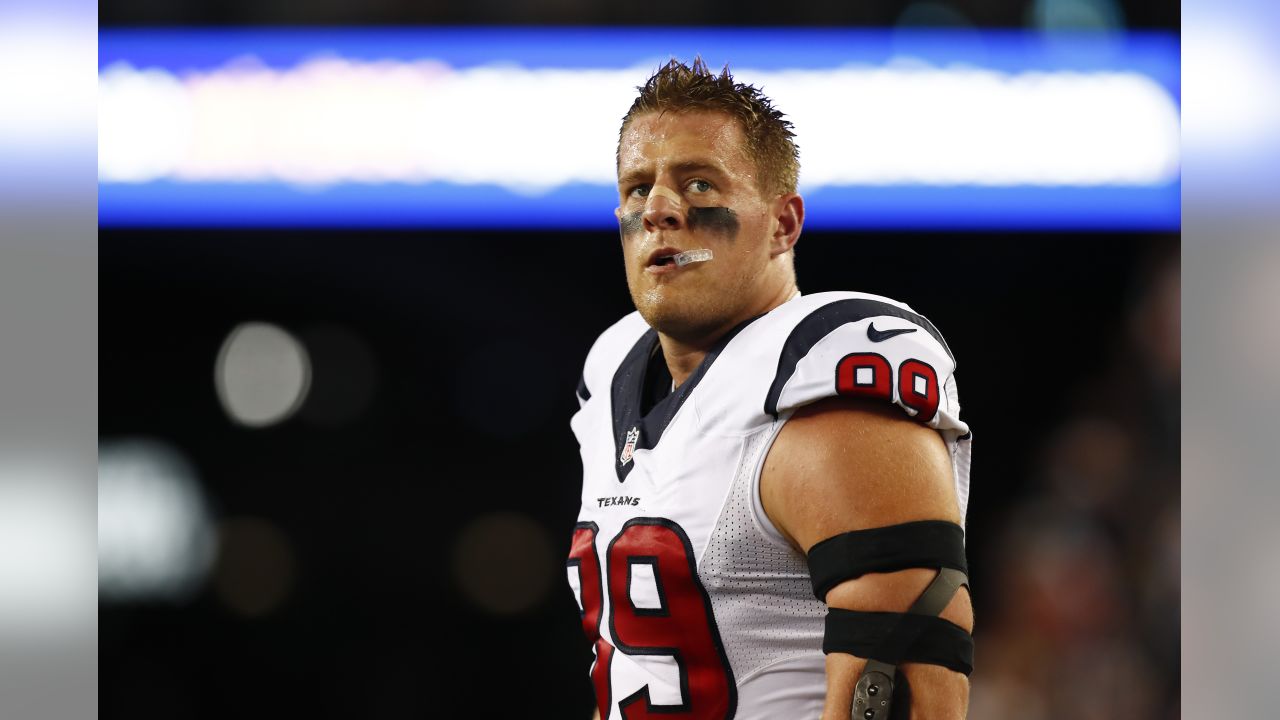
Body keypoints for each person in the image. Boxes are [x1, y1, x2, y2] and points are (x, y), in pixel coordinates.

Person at [567, 58, 974, 720]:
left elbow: (908, 674)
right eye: (637, 189)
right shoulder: (614, 372)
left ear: (783, 225)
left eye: (699, 184)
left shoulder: (822, 377)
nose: (660, 210)